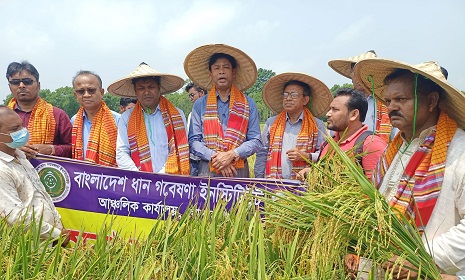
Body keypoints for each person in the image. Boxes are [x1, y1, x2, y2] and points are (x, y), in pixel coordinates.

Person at [354, 58, 465, 278]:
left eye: (401, 99)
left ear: (432, 100)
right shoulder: (394, 150)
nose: (391, 107)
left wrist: (421, 258)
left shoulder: (458, 151)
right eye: (388, 100)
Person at [185, 44, 262, 177]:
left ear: (233, 72)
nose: (221, 71)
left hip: (238, 170)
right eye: (216, 68)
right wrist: (217, 158)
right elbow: (193, 141)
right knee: (207, 198)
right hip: (208, 169)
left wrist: (232, 154)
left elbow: (255, 140)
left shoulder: (249, 104)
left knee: (239, 199)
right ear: (211, 73)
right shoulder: (199, 105)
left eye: (226, 67)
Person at [0, 106, 69, 246]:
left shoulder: (21, 157)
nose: (22, 131)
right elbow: (16, 217)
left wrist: (58, 226)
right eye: (14, 129)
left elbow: (40, 195)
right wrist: (55, 234)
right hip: (28, 249)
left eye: (22, 126)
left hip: (48, 242)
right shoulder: (2, 169)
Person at [108, 62, 189, 175]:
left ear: (159, 88)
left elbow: (180, 148)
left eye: (151, 87)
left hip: (171, 179)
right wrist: (140, 176)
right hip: (137, 182)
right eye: (141, 88)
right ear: (135, 91)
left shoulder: (176, 115)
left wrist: (160, 176)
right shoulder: (127, 118)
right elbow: (122, 152)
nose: (146, 92)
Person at [254, 72, 332, 180]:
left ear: (305, 99)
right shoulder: (271, 123)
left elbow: (325, 154)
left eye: (294, 95)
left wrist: (305, 156)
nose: (288, 98)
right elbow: (262, 152)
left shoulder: (317, 125)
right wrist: (259, 179)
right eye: (286, 94)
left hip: (303, 186)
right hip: (273, 184)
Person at [298, 88, 387, 181]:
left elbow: (378, 190)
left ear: (354, 114)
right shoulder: (328, 144)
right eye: (329, 109)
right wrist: (312, 172)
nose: (328, 114)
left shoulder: (371, 145)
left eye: (335, 110)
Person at [6, 61, 72, 158]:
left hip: (47, 171)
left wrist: (51, 149)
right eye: (15, 82)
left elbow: (73, 149)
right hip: (10, 171)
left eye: (27, 82)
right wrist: (13, 150)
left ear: (39, 85)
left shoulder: (57, 115)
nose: (21, 86)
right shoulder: (3, 116)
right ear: (10, 87)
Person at [329, 51, 397, 142]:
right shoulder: (344, 102)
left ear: (373, 76)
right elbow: (334, 132)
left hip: (379, 152)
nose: (358, 78)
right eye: (354, 73)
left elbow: (395, 134)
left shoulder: (387, 102)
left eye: (363, 73)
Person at [71, 70, 120, 167]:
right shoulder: (74, 121)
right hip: (81, 176)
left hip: (111, 177)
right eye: (81, 91)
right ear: (76, 95)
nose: (86, 95)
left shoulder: (117, 120)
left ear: (102, 92)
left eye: (91, 90)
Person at [185, 82, 206, 176]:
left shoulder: (211, 113)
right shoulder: (191, 114)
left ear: (201, 93)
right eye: (189, 96)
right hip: (193, 161)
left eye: (192, 95)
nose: (191, 99)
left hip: (206, 161)